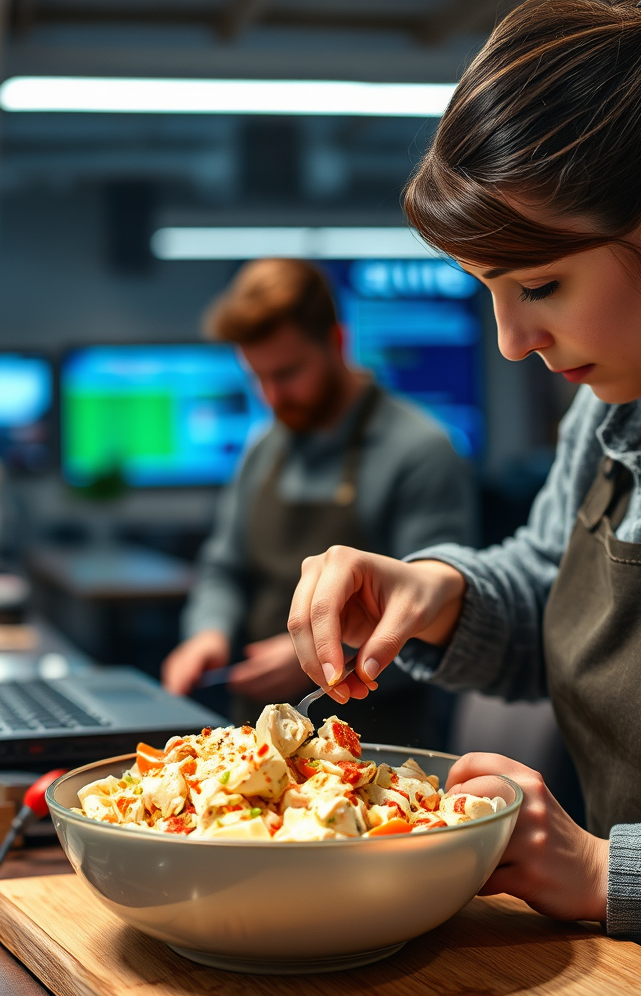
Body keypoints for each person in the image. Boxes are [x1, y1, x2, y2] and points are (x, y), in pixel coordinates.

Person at [284, 0, 641, 996]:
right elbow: (553, 589)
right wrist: (438, 590)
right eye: (489, 292)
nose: (512, 341)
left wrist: (604, 872)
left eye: (540, 286)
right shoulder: (624, 392)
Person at [162, 258, 472, 745]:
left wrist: (323, 659)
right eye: (257, 378)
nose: (272, 396)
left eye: (286, 373)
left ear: (337, 343)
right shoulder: (265, 449)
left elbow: (441, 615)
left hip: (372, 748)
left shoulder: (419, 451)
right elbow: (226, 567)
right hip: (255, 742)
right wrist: (208, 633)